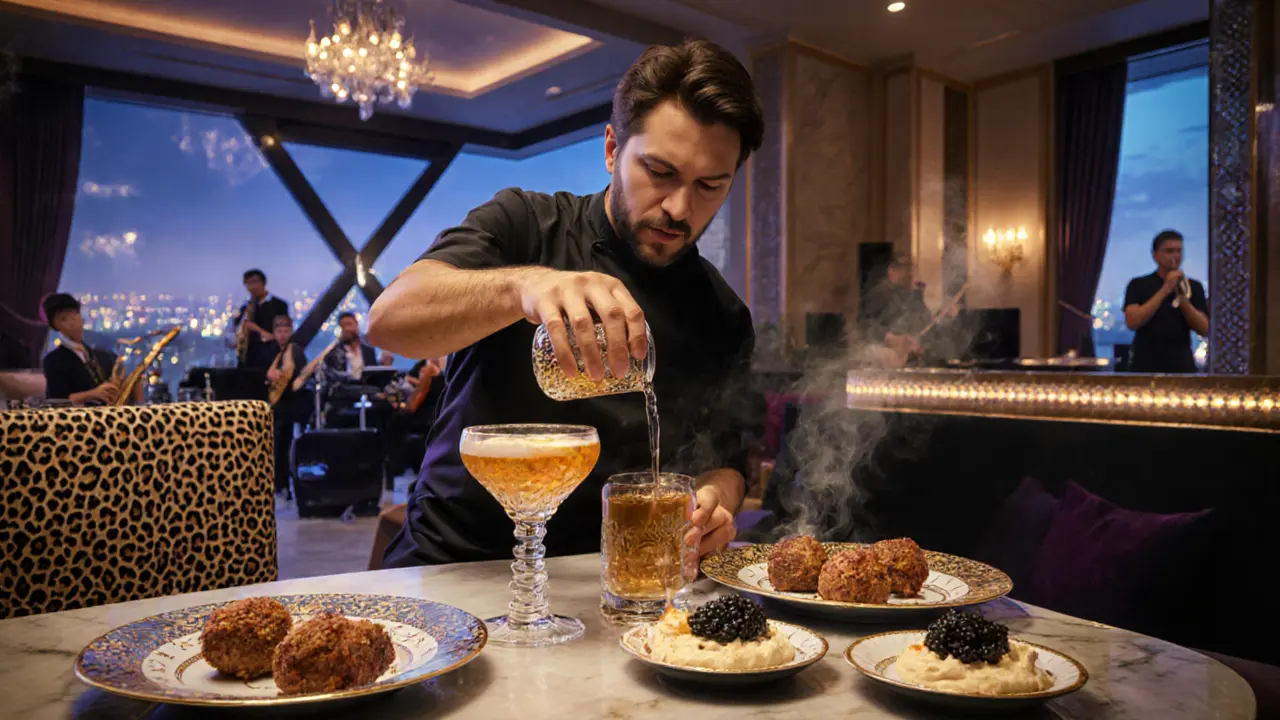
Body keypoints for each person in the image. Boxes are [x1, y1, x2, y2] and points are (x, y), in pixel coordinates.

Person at [368, 39, 764, 566]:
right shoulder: (525, 225)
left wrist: (715, 502)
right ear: (612, 149)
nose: (679, 207)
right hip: (454, 561)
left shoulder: (723, 315)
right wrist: (523, 288)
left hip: (613, 576)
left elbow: (729, 462)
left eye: (710, 185)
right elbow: (388, 321)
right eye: (659, 172)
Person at [1123, 230, 1208, 373]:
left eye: (1179, 251)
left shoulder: (1194, 286)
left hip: (1182, 366)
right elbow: (1132, 322)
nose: (1175, 256)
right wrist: (1165, 289)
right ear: (1155, 255)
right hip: (1144, 366)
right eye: (1169, 251)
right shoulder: (1138, 284)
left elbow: (1204, 329)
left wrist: (1182, 298)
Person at [40, 293, 122, 405]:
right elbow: (56, 401)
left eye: (75, 314)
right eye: (63, 319)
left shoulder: (99, 354)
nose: (72, 321)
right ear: (55, 326)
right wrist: (92, 394)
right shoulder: (53, 360)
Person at [858, 254, 932, 365]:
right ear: (891, 271)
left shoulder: (909, 294)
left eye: (911, 269)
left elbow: (923, 321)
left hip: (905, 354)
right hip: (881, 351)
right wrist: (891, 338)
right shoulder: (880, 293)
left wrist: (918, 294)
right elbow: (865, 325)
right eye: (905, 269)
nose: (910, 274)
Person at [266, 315, 309, 498]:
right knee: (280, 445)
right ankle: (280, 482)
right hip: (280, 404)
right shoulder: (274, 351)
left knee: (285, 445)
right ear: (274, 333)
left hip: (291, 404)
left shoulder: (295, 351)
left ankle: (285, 482)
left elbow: (301, 376)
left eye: (286, 331)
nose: (282, 335)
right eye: (279, 331)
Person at [232, 269, 289, 370]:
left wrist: (256, 329)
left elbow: (282, 335)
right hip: (247, 360)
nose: (252, 287)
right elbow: (236, 328)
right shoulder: (246, 306)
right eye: (248, 283)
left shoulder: (279, 305)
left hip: (269, 360)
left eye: (255, 282)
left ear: (264, 283)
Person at [322, 312, 379, 383]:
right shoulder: (335, 353)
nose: (346, 329)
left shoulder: (368, 350)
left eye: (349, 324)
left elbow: (374, 373)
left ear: (357, 325)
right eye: (343, 326)